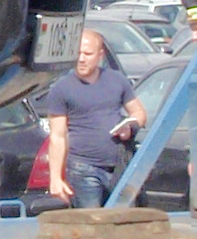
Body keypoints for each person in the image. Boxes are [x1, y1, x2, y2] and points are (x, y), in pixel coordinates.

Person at [36, 28, 145, 209]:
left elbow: (139, 114)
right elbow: (57, 136)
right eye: (77, 53)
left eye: (87, 54)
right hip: (83, 168)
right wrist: (55, 179)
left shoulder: (117, 80)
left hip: (119, 166)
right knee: (91, 224)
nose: (81, 59)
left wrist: (130, 128)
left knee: (124, 223)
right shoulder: (61, 88)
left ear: (100, 55)